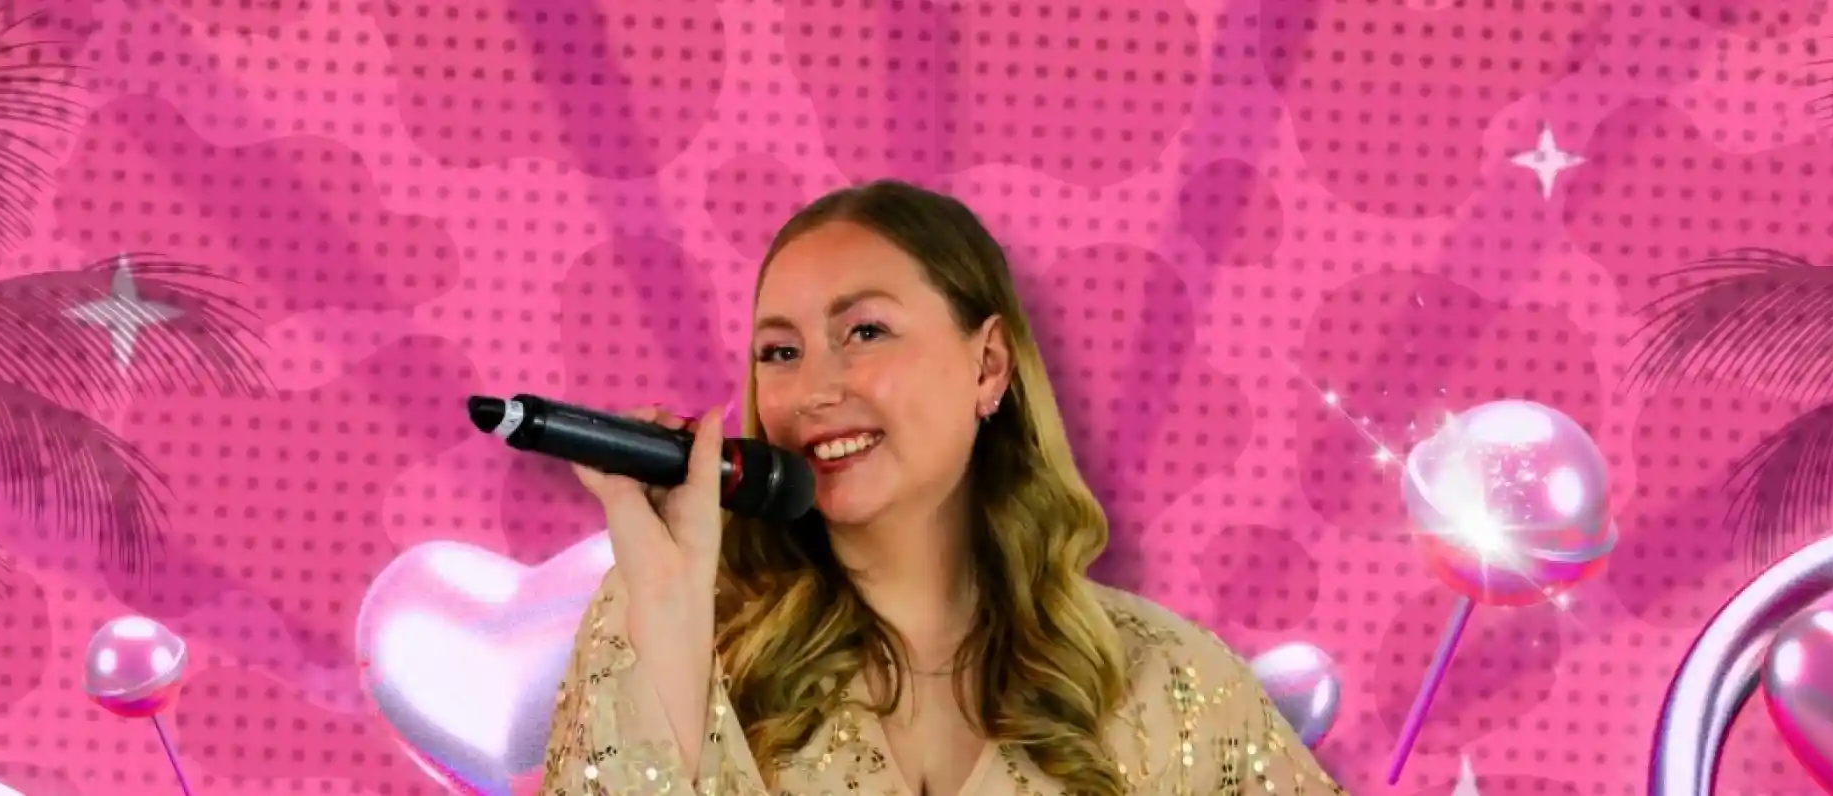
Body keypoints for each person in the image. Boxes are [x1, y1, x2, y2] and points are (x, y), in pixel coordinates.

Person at [539, 180, 1342, 795]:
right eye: (779, 352)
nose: (815, 389)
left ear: (988, 365)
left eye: (865, 332)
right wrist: (671, 615)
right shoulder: (658, 622)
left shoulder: (1165, 677)